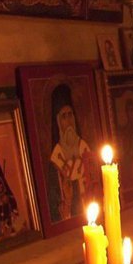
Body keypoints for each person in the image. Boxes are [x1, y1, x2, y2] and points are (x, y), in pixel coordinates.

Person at [48, 84, 97, 222]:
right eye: (64, 116)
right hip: (70, 221)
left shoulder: (84, 148)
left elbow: (95, 180)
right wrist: (68, 201)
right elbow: (54, 203)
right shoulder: (55, 159)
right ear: (58, 122)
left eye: (70, 115)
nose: (68, 120)